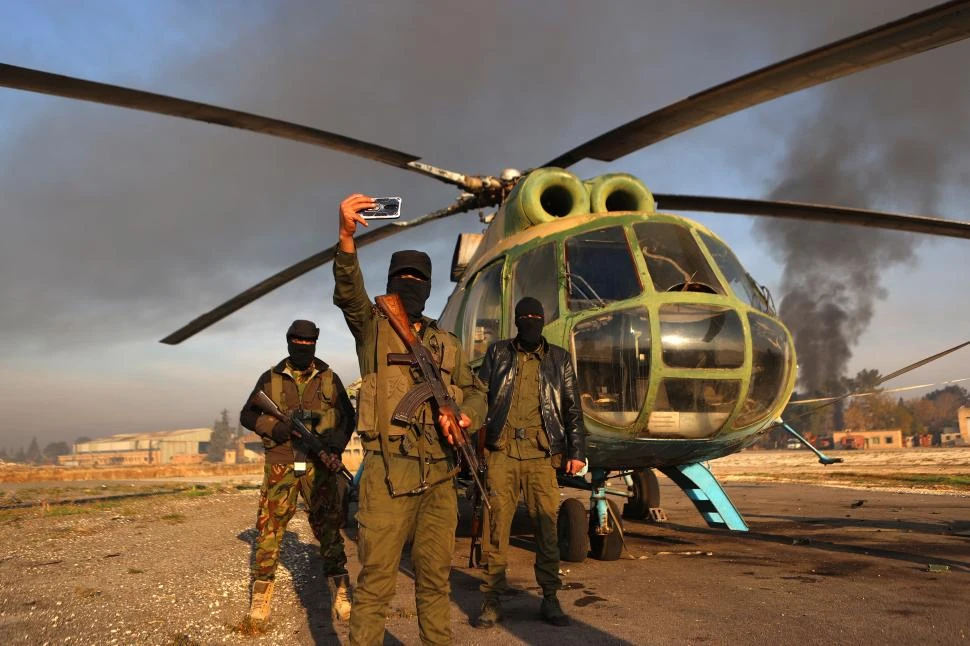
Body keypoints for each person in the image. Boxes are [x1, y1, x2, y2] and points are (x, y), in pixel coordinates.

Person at [333, 193, 487, 646]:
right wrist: (345, 237)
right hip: (386, 474)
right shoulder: (372, 327)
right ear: (391, 282)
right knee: (377, 582)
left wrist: (463, 416)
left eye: (419, 279)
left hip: (440, 474)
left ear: (430, 286)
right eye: (403, 277)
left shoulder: (448, 343)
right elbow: (348, 294)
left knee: (436, 583)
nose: (411, 284)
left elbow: (477, 392)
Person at [475, 296, 587, 628]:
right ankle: (491, 600)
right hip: (502, 453)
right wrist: (469, 427)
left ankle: (550, 599)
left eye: (536, 317)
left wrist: (576, 451)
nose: (530, 321)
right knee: (495, 532)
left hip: (542, 456)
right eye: (524, 317)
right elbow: (479, 396)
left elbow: (572, 409)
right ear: (516, 321)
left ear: (543, 321)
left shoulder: (560, 360)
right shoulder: (498, 353)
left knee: (547, 529)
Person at [239, 319, 357, 627]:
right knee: (269, 530)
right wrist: (274, 427)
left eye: (308, 343)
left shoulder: (330, 378)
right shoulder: (271, 378)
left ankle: (342, 591)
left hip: (319, 466)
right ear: (289, 341)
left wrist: (335, 445)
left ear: (315, 344)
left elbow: (348, 417)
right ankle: (262, 593)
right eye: (297, 342)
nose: (302, 347)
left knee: (330, 528)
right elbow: (247, 414)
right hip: (282, 463)